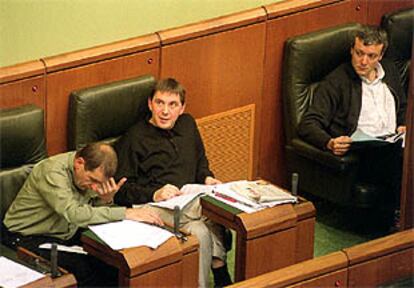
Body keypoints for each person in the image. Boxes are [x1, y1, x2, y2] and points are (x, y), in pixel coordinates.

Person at [114, 78, 232, 288]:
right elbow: (121, 191)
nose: (165, 111)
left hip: (188, 202)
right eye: (159, 103)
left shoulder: (188, 124)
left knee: (200, 231)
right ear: (150, 104)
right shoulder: (135, 137)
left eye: (172, 104)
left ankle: (216, 275)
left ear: (182, 108)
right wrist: (155, 193)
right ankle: (222, 262)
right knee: (215, 205)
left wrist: (207, 178)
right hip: (154, 208)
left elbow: (200, 162)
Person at [2, 142, 163, 287]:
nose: (94, 187)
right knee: (83, 270)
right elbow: (74, 213)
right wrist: (126, 213)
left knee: (111, 265)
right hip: (24, 237)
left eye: (99, 183)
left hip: (65, 233)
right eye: (92, 180)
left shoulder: (88, 176)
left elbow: (92, 210)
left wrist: (106, 200)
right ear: (79, 163)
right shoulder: (52, 172)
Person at [298, 25, 407, 217]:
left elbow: (404, 106)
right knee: (397, 159)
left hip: (395, 140)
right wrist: (329, 142)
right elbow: (309, 123)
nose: (364, 61)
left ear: (381, 56)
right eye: (359, 53)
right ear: (352, 50)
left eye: (371, 56)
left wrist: (404, 123)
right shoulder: (337, 81)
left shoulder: (389, 70)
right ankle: (400, 220)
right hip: (365, 152)